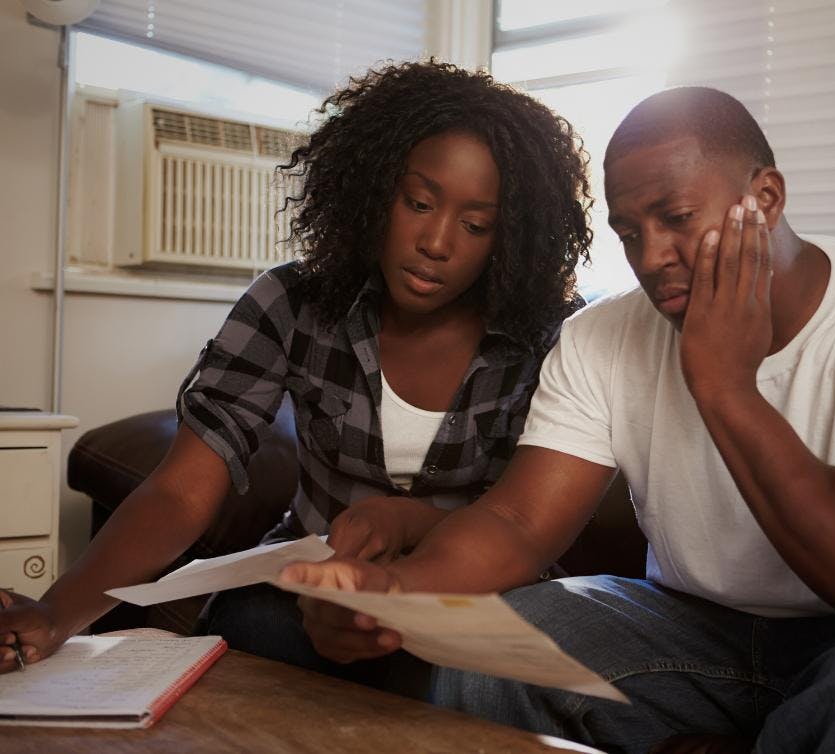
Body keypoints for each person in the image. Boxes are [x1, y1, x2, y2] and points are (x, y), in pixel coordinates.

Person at [279, 86, 835, 753]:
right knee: (490, 649)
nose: (652, 256)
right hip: (694, 633)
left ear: (765, 198)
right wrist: (392, 599)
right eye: (629, 232)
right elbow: (516, 524)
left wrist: (727, 387)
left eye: (676, 218)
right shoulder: (602, 335)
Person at [0, 60, 593, 692]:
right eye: (418, 203)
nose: (437, 242)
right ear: (373, 191)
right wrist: (57, 615)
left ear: (512, 238)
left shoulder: (550, 338)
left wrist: (404, 548)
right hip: (315, 599)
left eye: (476, 225)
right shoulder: (291, 303)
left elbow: (522, 520)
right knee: (243, 622)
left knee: (480, 668)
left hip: (477, 604)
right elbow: (182, 490)